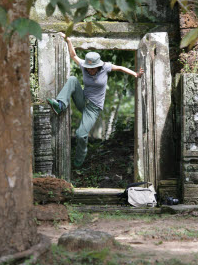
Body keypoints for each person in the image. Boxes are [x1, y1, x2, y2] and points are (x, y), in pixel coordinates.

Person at [47, 33, 144, 168]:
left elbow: (121, 68)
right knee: (73, 79)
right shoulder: (84, 66)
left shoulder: (105, 67)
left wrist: (136, 74)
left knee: (81, 134)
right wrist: (68, 40)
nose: (90, 70)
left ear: (98, 66)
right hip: (83, 100)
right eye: (88, 68)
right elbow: (74, 55)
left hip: (93, 108)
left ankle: (80, 157)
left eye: (93, 68)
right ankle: (60, 105)